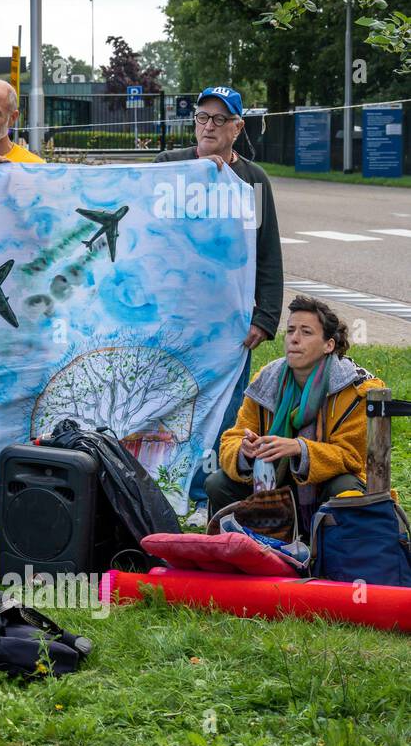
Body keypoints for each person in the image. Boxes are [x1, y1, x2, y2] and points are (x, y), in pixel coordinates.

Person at [154, 86, 284, 524]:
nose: (208, 126)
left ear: (237, 127)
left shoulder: (253, 180)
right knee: (169, 404)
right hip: (172, 316)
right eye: (202, 118)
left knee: (224, 410)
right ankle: (158, 487)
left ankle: (202, 493)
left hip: (228, 326)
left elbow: (268, 253)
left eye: (219, 120)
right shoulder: (168, 166)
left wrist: (265, 318)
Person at [206, 295, 382, 521]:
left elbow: (353, 457)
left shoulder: (354, 389)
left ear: (329, 345)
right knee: (217, 483)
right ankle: (261, 541)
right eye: (290, 331)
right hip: (276, 482)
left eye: (306, 332)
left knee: (345, 487)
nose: (294, 339)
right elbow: (233, 437)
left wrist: (300, 449)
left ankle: (325, 544)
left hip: (324, 486)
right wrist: (244, 450)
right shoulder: (267, 380)